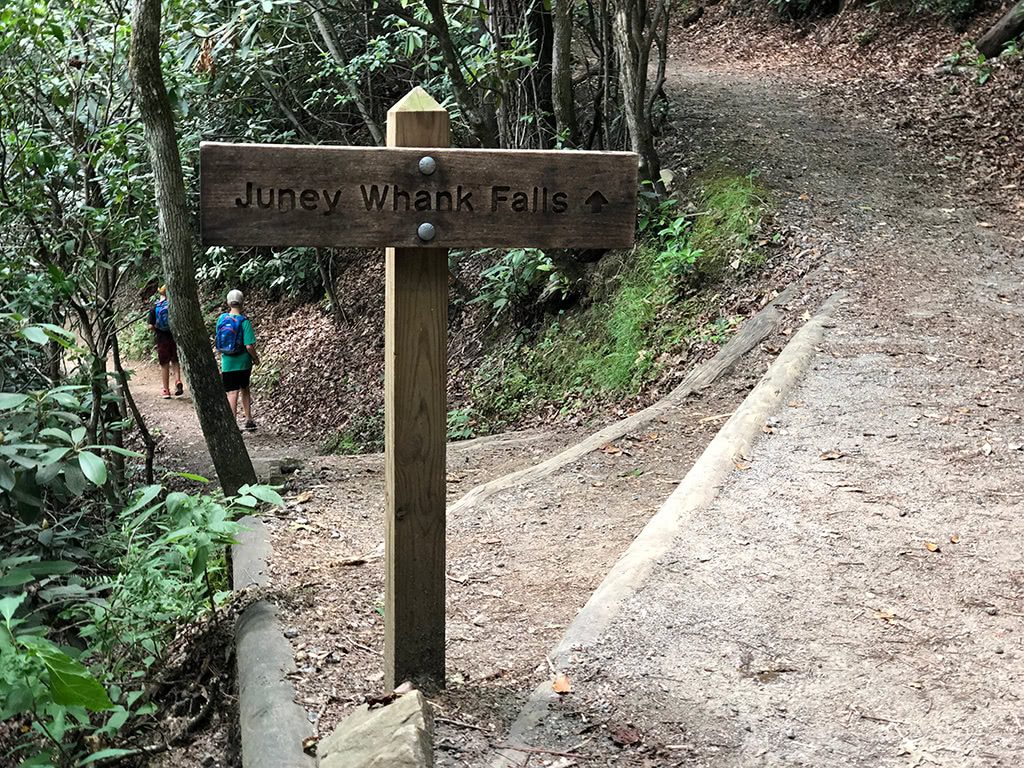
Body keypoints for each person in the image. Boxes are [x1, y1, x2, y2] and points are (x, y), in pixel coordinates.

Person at [216, 289, 260, 432]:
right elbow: (249, 346)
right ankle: (249, 419)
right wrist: (255, 358)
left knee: (231, 392)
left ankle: (232, 424)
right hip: (244, 363)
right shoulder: (244, 321)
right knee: (245, 389)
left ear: (228, 302)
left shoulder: (222, 319)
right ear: (242, 303)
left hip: (227, 363)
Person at [148, 285, 183, 399]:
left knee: (164, 364)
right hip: (174, 336)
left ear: (160, 293)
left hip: (161, 338)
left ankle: (166, 390)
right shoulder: (173, 306)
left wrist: (157, 328)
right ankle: (177, 381)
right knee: (175, 360)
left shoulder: (155, 307)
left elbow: (150, 326)